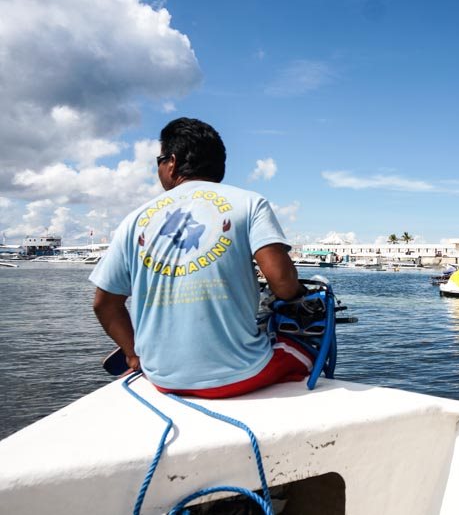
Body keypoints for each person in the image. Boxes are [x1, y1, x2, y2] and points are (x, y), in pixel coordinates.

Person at [90, 117, 312, 398]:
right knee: (307, 341)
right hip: (240, 376)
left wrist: (134, 358)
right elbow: (281, 282)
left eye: (159, 160)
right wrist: (299, 295)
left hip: (161, 378)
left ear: (171, 162)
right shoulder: (249, 202)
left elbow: (105, 305)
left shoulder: (133, 221)